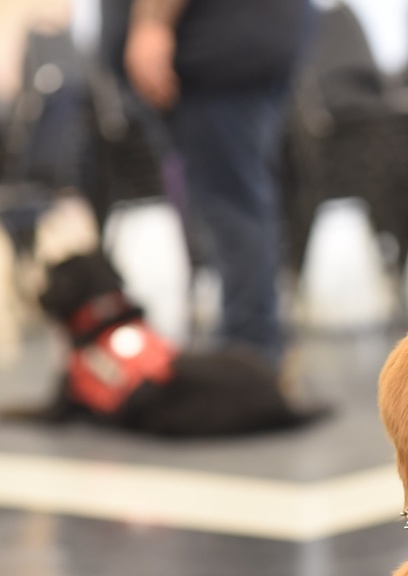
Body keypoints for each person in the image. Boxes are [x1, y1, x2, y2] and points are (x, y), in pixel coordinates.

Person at [119, 0, 313, 368]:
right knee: (241, 199)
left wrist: (152, 24)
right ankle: (253, 345)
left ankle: (249, 355)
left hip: (217, 51)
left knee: (231, 204)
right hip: (248, 43)